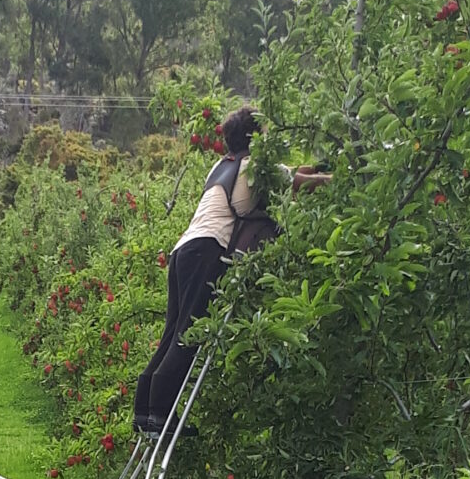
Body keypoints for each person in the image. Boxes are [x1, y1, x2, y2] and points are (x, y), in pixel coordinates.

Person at [132, 107, 330, 436]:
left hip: (185, 248)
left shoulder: (225, 164)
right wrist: (335, 177)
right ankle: (162, 417)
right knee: (189, 335)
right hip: (209, 248)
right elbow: (299, 183)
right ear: (256, 137)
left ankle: (146, 411)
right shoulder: (257, 165)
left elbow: (294, 171)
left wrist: (317, 166)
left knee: (172, 333)